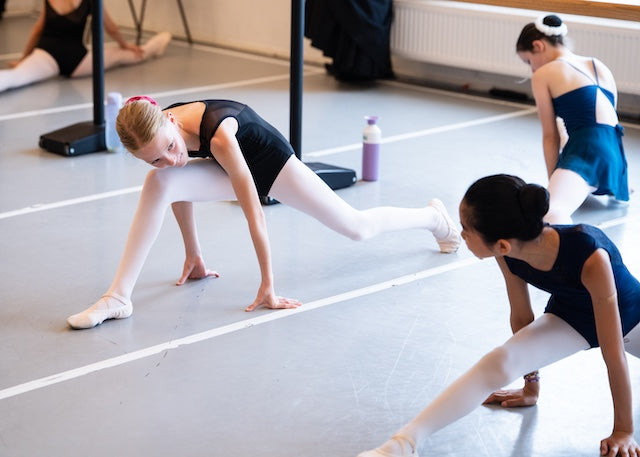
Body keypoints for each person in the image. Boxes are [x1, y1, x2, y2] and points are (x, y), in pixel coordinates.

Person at [66, 96, 461, 329]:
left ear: (170, 121)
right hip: (231, 167)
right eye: (155, 158)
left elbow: (253, 212)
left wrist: (268, 286)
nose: (171, 159)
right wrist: (194, 253)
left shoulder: (219, 135)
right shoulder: (160, 129)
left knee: (356, 227)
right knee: (161, 183)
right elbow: (176, 188)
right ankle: (118, 297)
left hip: (272, 166)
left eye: (170, 148)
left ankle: (434, 218)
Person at [357, 174, 640, 457]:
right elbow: (522, 317)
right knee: (500, 361)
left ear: (502, 244)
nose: (462, 235)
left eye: (466, 229)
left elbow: (613, 353)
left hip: (632, 320)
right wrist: (531, 386)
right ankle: (402, 444)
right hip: (571, 315)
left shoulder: (590, 255)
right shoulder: (507, 252)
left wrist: (624, 431)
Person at [516, 14, 629, 224]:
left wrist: (553, 182)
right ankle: (597, 181)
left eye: (529, 61)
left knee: (549, 214)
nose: (532, 69)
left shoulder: (544, 74)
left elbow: (550, 136)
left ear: (538, 46)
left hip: (588, 153)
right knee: (574, 127)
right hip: (616, 159)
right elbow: (609, 122)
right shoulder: (597, 64)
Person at [0, 0, 171, 93]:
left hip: (46, 54)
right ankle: (153, 47)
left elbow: (38, 30)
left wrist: (23, 59)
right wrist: (125, 45)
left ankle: (154, 46)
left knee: (16, 76)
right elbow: (110, 27)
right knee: (122, 55)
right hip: (76, 60)